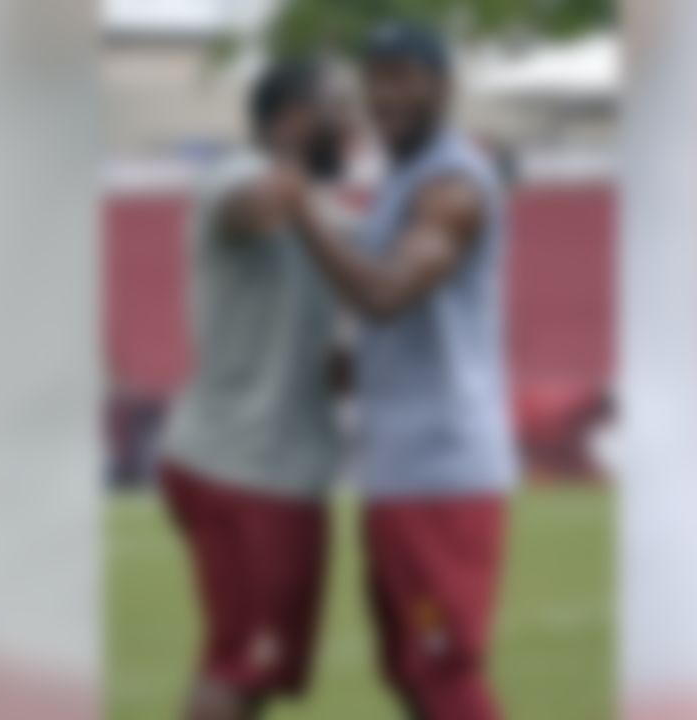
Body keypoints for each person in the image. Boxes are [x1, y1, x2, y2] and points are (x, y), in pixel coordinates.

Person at [274, 23, 518, 720]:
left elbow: (385, 296)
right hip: (400, 471)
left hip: (442, 474)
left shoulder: (453, 185)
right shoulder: (402, 181)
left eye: (405, 75)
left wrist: (301, 211)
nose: (385, 93)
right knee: (412, 673)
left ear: (445, 86)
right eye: (376, 76)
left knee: (444, 673)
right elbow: (389, 337)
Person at [156, 60, 350, 720]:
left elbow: (333, 360)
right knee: (240, 668)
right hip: (244, 465)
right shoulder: (235, 179)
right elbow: (259, 208)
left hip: (273, 466)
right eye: (339, 111)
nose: (354, 126)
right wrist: (297, 160)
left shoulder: (321, 213)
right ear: (293, 121)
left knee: (254, 671)